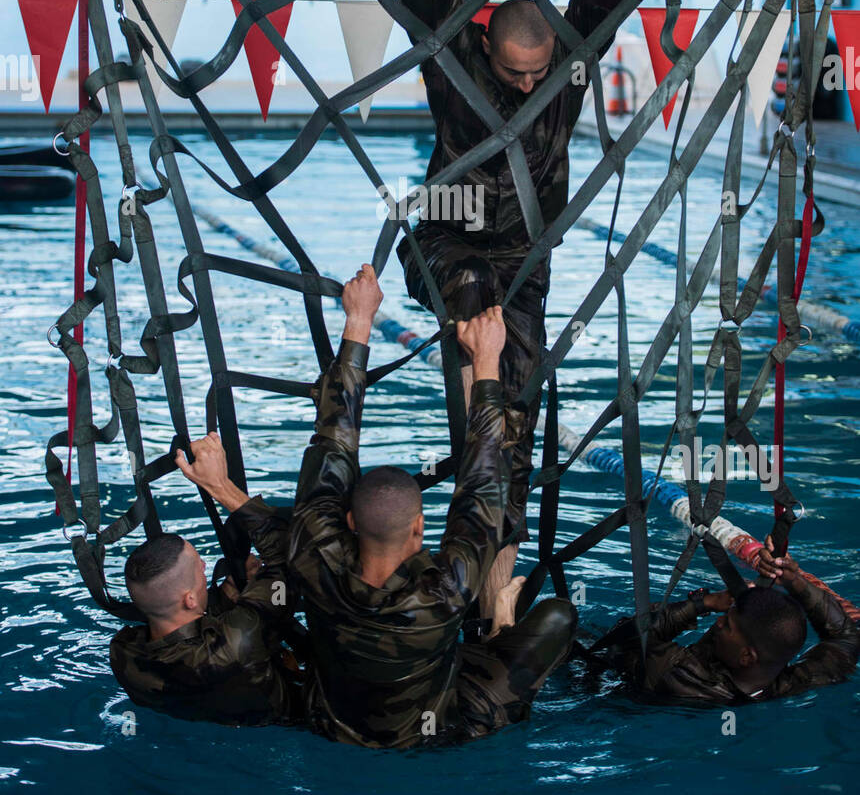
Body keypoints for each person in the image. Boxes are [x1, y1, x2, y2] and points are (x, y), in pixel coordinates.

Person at [392, 0, 648, 622]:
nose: (532, 87)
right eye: (517, 75)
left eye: (542, 75)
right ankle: (465, 561)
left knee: (516, 420)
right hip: (442, 247)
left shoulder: (563, 76)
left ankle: (494, 591)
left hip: (521, 267)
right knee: (476, 353)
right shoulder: (452, 60)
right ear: (488, 51)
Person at [287, 262, 577, 749]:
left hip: (330, 723)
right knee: (559, 617)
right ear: (420, 530)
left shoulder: (313, 556)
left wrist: (358, 321)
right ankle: (496, 629)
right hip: (437, 731)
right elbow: (484, 481)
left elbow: (333, 442)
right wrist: (486, 359)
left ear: (350, 521)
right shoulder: (446, 591)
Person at [109, 469, 302, 727]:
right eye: (199, 567)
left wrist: (225, 595)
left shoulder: (123, 653)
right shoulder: (239, 638)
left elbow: (186, 632)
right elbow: (287, 558)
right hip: (290, 726)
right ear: (189, 600)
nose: (204, 567)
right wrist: (224, 489)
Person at [595, 539, 860, 704]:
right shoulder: (796, 682)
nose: (719, 623)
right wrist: (794, 580)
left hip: (598, 687)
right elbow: (846, 637)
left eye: (728, 624)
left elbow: (626, 635)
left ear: (746, 657)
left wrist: (703, 604)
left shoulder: (684, 678)